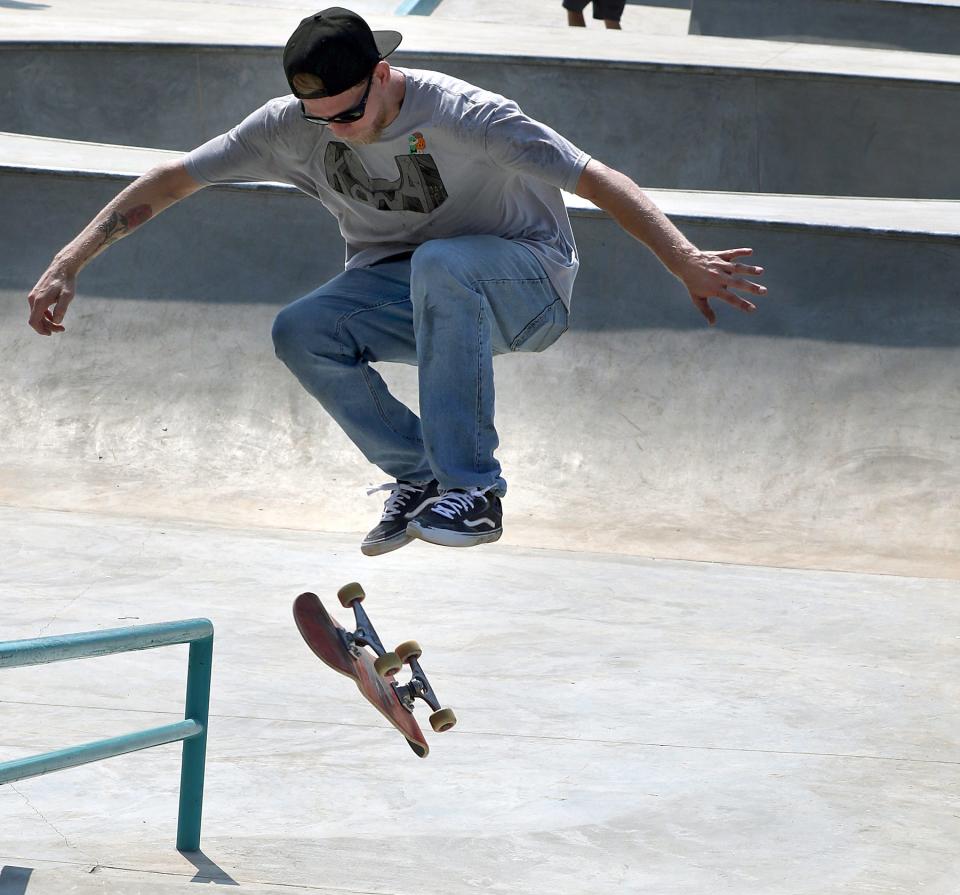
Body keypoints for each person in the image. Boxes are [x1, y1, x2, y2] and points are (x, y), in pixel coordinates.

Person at [28, 8, 766, 555]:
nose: (338, 129)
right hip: (412, 295)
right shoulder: (292, 127)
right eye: (322, 120)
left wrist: (681, 258)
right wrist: (69, 260)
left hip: (526, 283)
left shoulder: (466, 115)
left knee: (443, 264)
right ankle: (420, 474)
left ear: (382, 75)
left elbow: (594, 176)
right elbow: (172, 180)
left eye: (350, 112)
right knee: (302, 329)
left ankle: (474, 489)